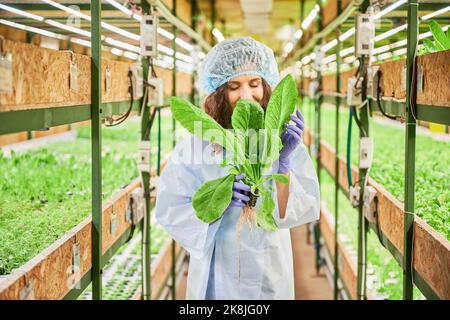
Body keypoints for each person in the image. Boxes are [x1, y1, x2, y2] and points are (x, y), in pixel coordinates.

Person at [154, 37, 320, 299]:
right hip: (218, 272)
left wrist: (285, 164)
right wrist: (218, 201)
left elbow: (296, 212)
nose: (246, 96)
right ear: (218, 91)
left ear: (266, 86)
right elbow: (170, 208)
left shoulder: (280, 138)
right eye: (234, 86)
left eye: (254, 84)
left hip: (269, 267)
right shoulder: (197, 144)